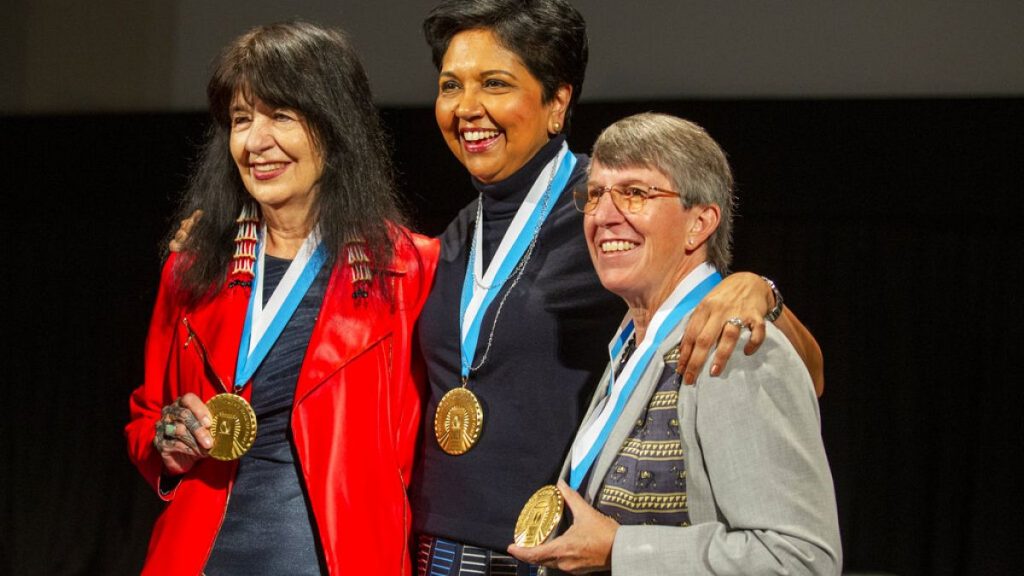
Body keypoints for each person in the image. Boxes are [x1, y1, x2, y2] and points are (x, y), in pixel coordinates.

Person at [412, 1, 825, 574]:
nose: (466, 107)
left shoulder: (608, 210)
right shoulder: (455, 234)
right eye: (450, 85)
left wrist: (760, 292)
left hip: (542, 556)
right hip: (431, 549)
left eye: (495, 84)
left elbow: (802, 368)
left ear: (557, 102)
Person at [124, 22, 438, 576]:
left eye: (281, 116)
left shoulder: (408, 270)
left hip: (340, 558)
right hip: (199, 557)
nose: (255, 141)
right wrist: (166, 439)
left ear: (334, 127)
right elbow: (147, 418)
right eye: (242, 119)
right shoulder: (193, 267)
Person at [507, 113, 841, 574]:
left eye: (635, 193)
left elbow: (800, 559)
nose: (603, 216)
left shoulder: (734, 345)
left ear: (699, 223)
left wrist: (619, 550)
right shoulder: (632, 341)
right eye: (597, 193)